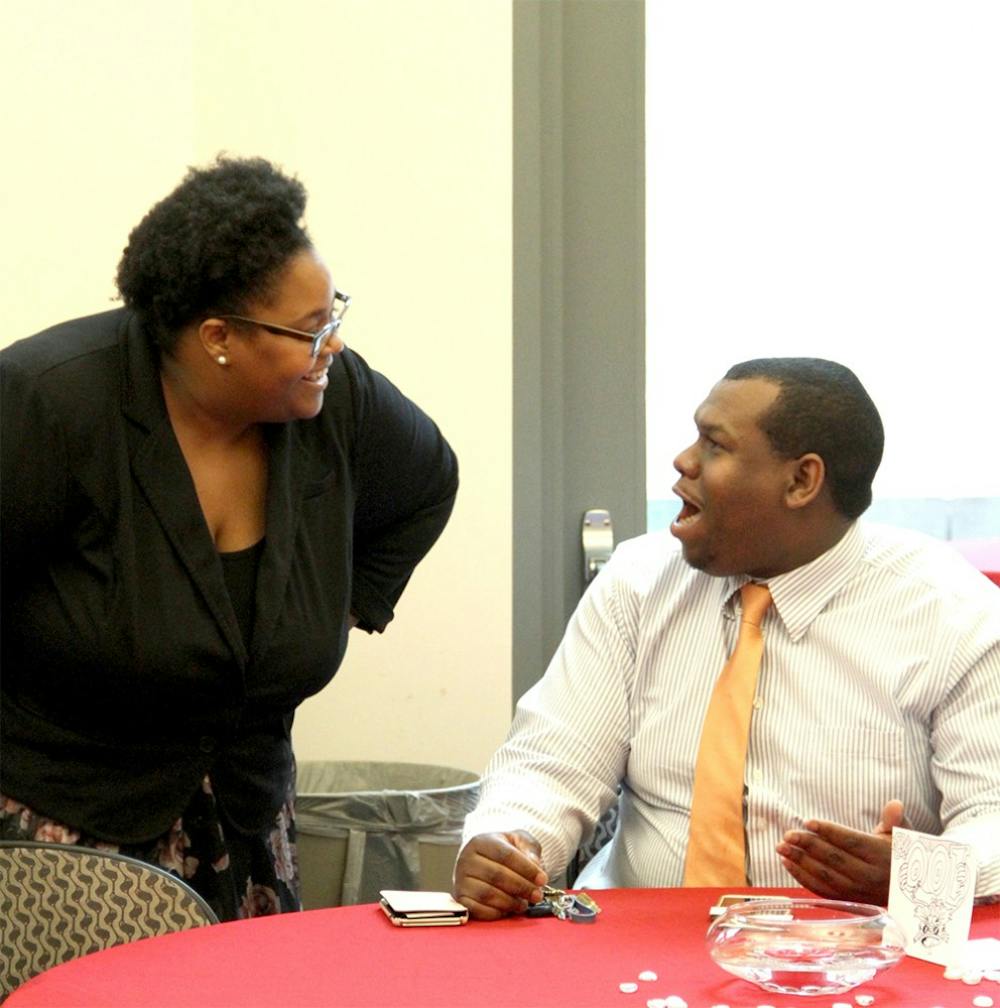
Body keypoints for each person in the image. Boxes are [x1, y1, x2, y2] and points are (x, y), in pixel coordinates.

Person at [0, 156, 458, 921]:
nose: (334, 347)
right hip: (67, 826)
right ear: (217, 336)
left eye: (334, 316)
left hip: (245, 817)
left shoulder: (332, 402)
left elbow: (428, 485)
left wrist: (339, 607)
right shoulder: (51, 403)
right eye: (312, 331)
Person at [454, 358, 1000, 920]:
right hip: (634, 937)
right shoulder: (638, 583)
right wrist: (513, 840)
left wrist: (918, 873)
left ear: (801, 481)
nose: (683, 461)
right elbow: (552, 762)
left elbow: (993, 815)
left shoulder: (953, 613)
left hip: (847, 952)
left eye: (714, 445)